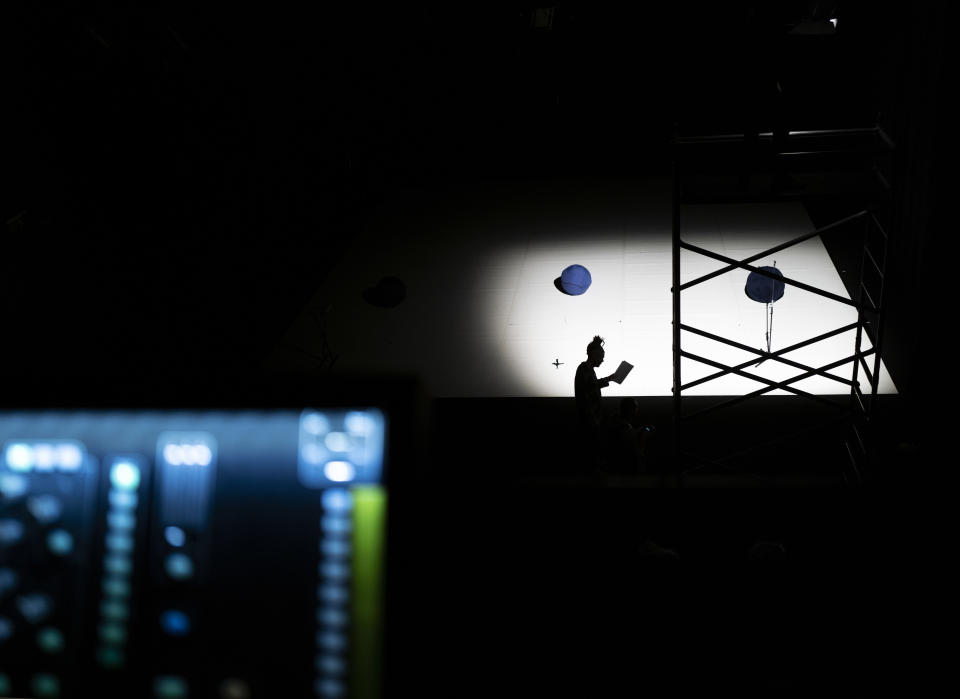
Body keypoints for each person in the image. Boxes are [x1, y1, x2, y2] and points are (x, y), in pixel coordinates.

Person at [574, 335, 616, 469]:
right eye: (601, 356)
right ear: (594, 354)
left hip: (591, 419)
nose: (603, 360)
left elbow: (589, 386)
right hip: (589, 419)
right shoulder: (585, 369)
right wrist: (608, 379)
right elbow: (588, 387)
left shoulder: (587, 370)